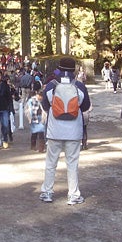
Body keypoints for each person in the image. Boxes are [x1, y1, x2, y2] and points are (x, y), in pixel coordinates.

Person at [39, 57, 91, 205]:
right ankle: (73, 195)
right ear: (74, 70)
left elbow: (46, 106)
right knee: (72, 163)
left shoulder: (51, 86)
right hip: (74, 131)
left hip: (55, 130)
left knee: (51, 163)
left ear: (59, 69)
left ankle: (47, 192)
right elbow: (85, 106)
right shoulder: (79, 86)